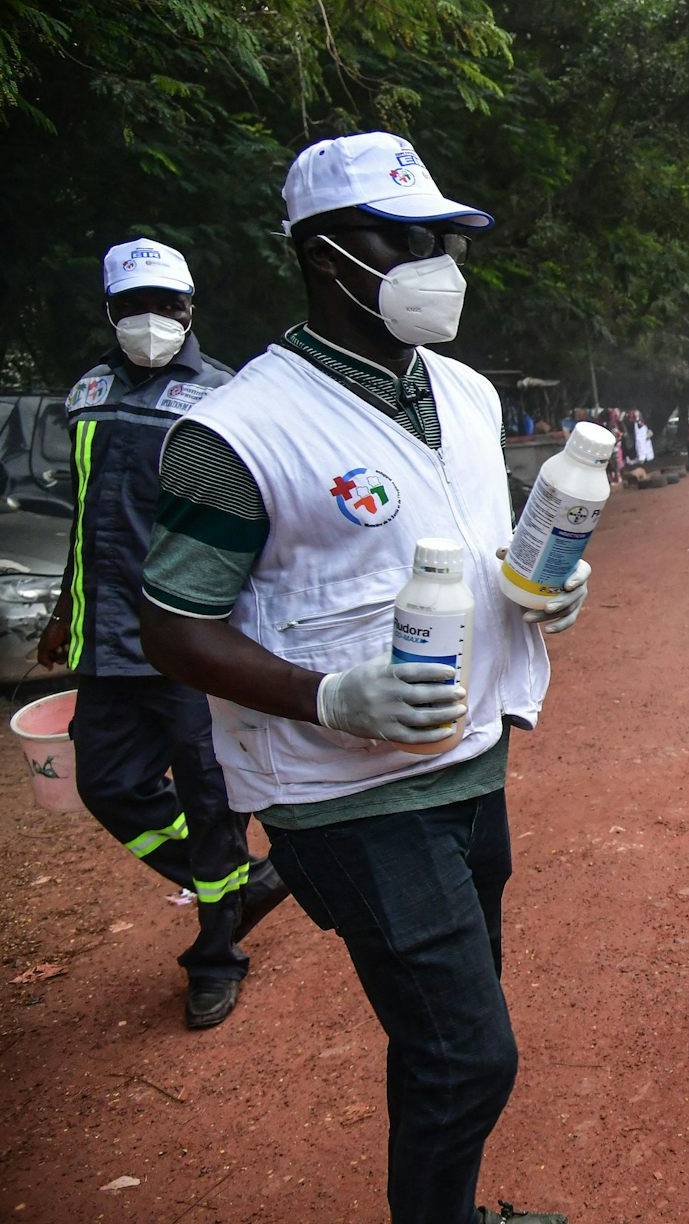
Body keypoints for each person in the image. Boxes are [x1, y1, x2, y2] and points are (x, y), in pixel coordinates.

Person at [138, 132, 582, 1224]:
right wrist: (328, 695)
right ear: (325, 253)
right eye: (405, 237)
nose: (438, 261)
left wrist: (541, 590)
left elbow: (472, 542)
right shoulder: (238, 431)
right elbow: (172, 623)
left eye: (446, 238)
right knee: (471, 1055)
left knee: (442, 1042)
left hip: (474, 759)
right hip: (346, 792)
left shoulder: (469, 394)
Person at [37, 237, 289, 1029]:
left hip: (190, 638)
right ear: (111, 313)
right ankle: (239, 881)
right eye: (134, 307)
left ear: (190, 309)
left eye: (167, 306)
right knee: (107, 784)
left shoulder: (224, 399)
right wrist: (63, 610)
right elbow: (87, 520)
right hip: (106, 638)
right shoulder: (86, 393)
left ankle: (216, 955)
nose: (152, 320)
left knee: (211, 796)